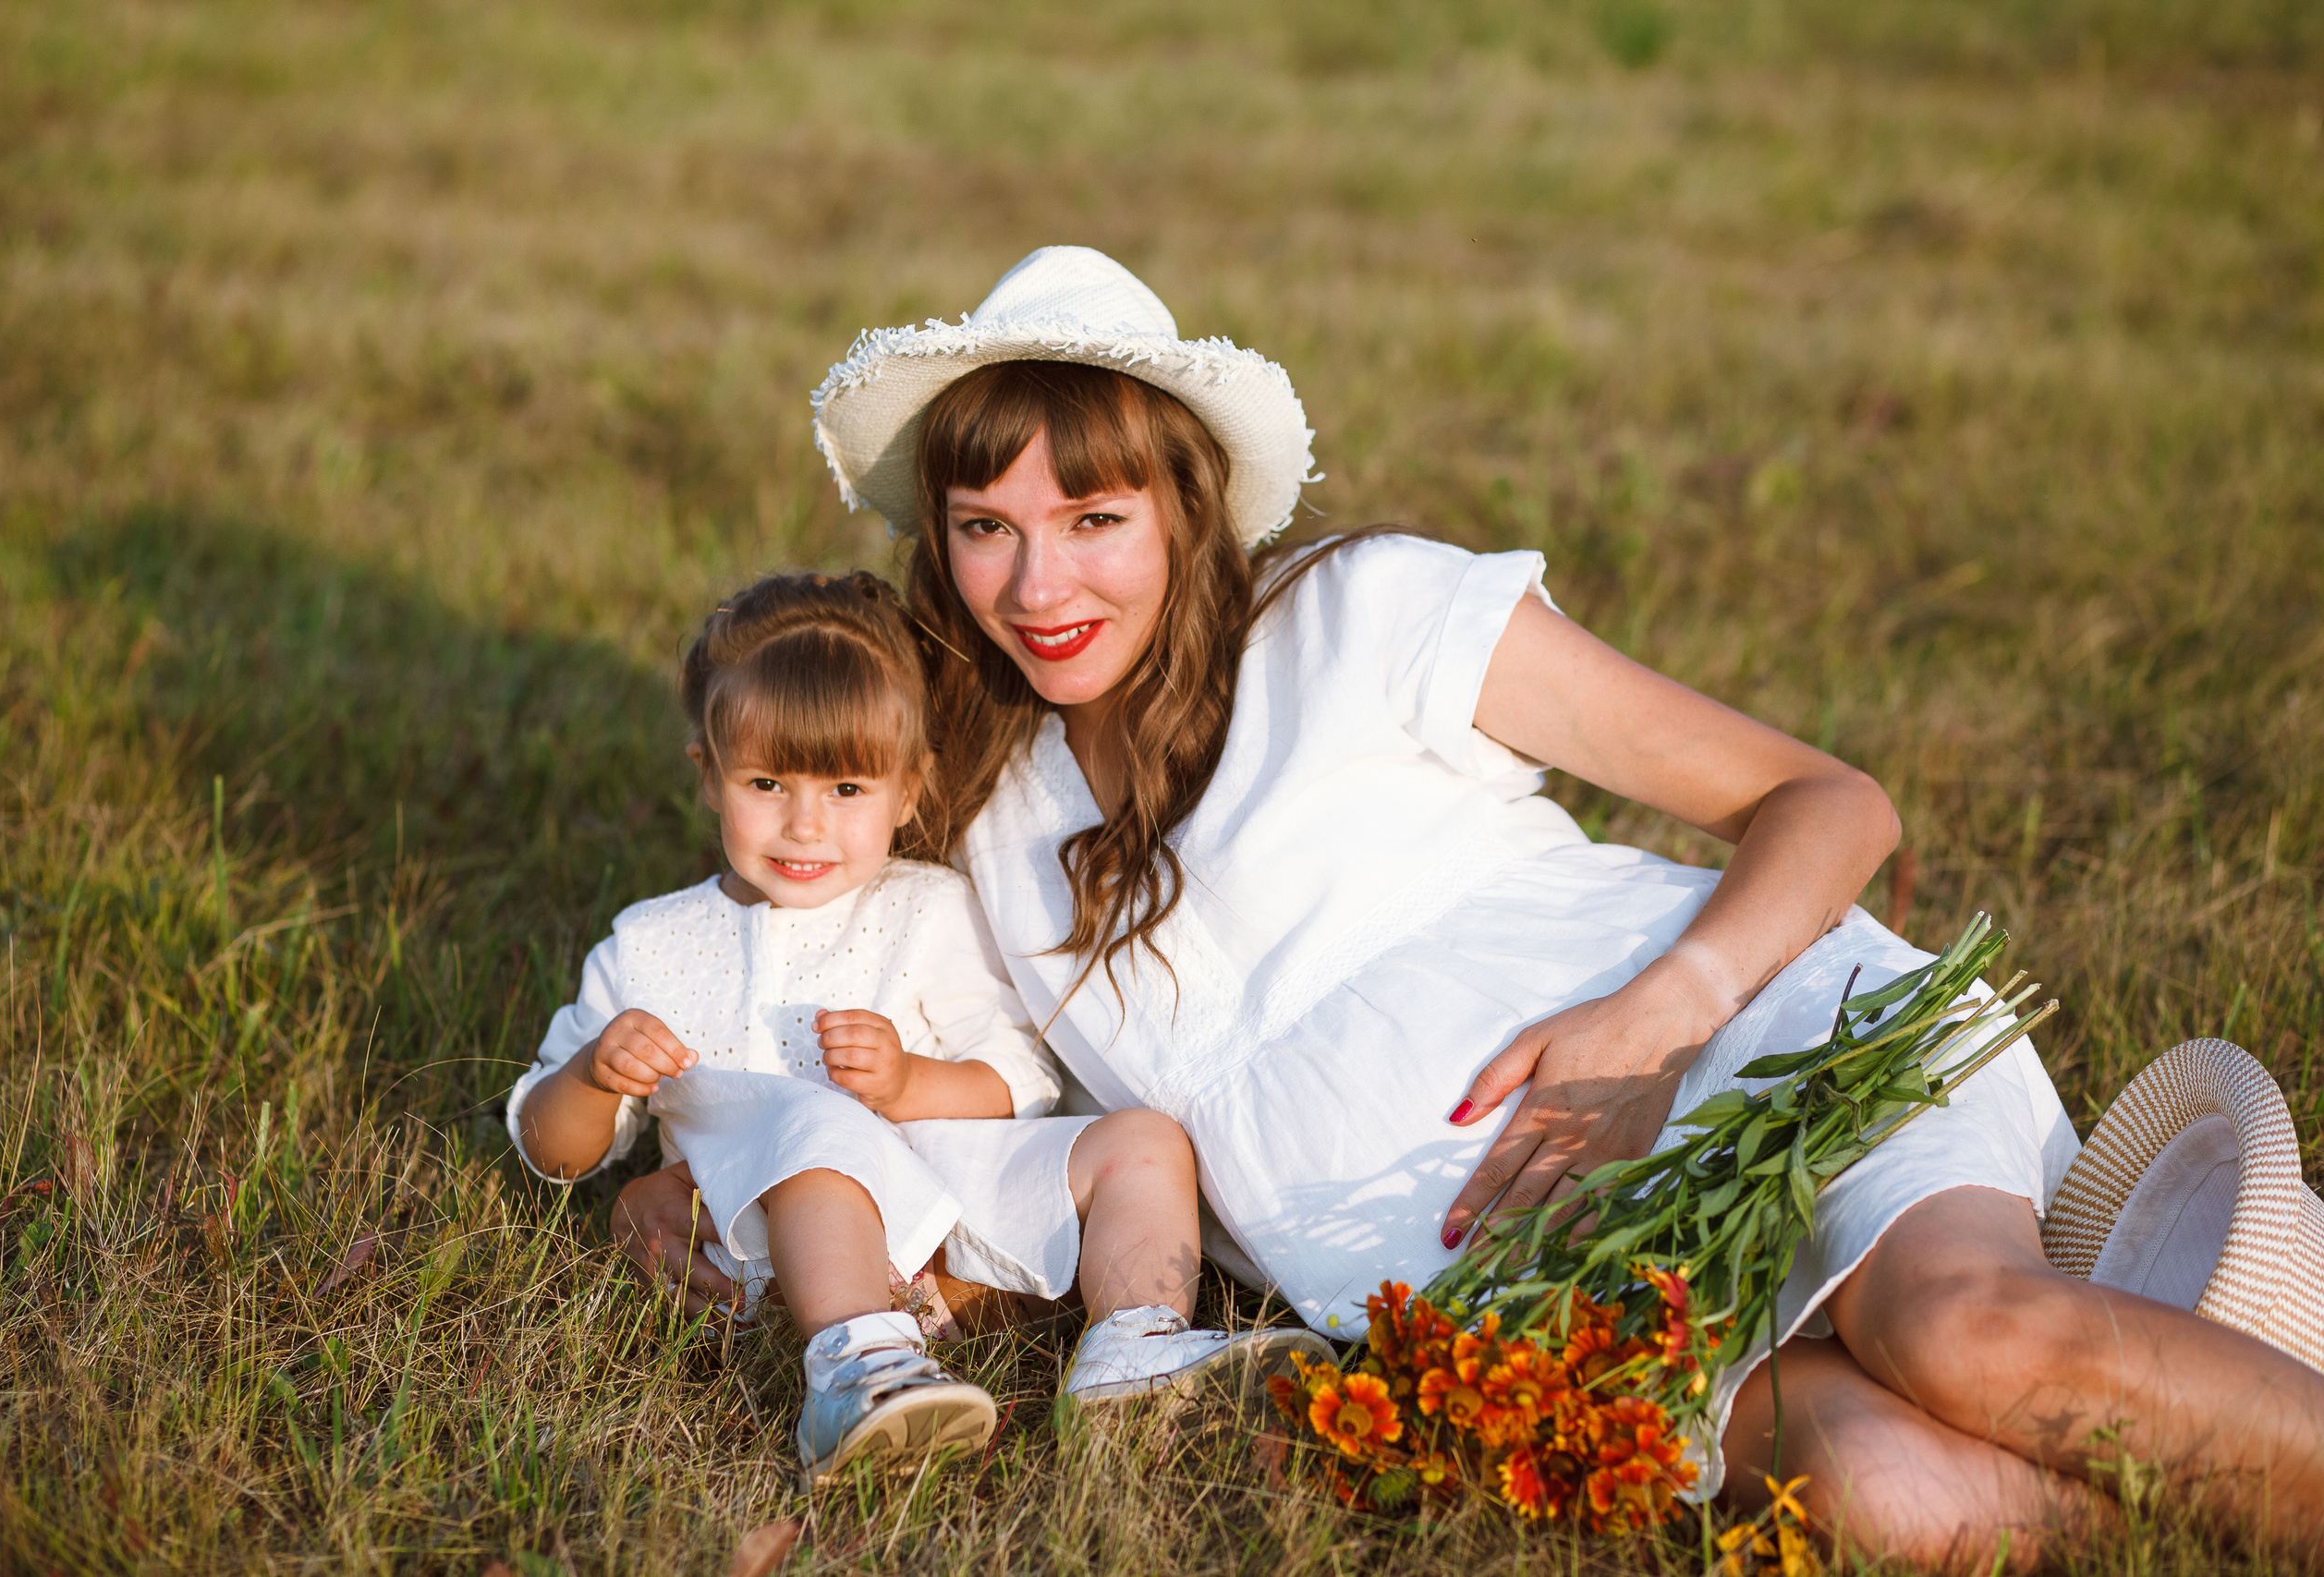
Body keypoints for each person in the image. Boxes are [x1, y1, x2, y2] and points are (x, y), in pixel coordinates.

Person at [614, 249, 2324, 1562]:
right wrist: (725, 1177)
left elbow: (1829, 800)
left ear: (1186, 504)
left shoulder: (1367, 617)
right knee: (1892, 1497)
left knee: (1966, 1329)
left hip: (1737, 1058)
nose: (1039, 584)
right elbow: (869, 1000)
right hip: (1543, 1294)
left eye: (1093, 515)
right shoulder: (977, 810)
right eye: (985, 527)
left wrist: (1656, 1023)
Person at [508, 570, 1332, 1484]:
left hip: (944, 1194)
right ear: (708, 772)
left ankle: (1133, 1347)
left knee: (1141, 1140)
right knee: (815, 1135)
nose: (805, 823)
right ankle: (858, 1367)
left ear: (909, 792)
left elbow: (1018, 1080)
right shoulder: (653, 944)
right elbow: (556, 1154)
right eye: (768, 782)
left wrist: (909, 1085)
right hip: (772, 1242)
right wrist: (590, 1072)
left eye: (848, 787)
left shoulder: (933, 910)